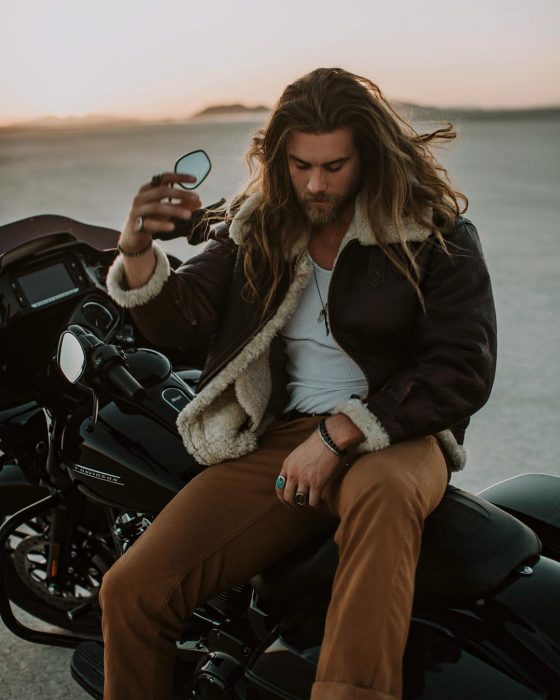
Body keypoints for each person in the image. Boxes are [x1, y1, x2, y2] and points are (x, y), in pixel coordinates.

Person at [101, 67, 496, 700]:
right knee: (132, 590)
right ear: (278, 157)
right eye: (300, 165)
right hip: (282, 438)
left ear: (369, 154)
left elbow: (463, 366)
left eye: (334, 166)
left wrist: (342, 433)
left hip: (399, 434)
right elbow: (184, 317)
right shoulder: (259, 228)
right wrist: (139, 251)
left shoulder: (434, 233)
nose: (315, 184)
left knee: (386, 494)